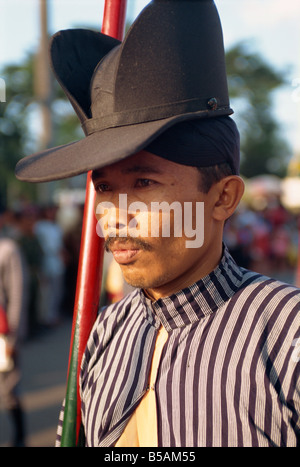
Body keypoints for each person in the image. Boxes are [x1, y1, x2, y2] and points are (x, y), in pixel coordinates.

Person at [15, 0, 299, 447]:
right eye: (105, 188)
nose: (114, 216)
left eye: (144, 182)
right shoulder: (106, 332)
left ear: (224, 197)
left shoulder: (288, 336)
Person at [0, 207, 27, 447]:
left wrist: (13, 338)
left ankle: (19, 438)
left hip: (2, 334)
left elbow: (17, 295)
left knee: (8, 390)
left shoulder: (8, 249)